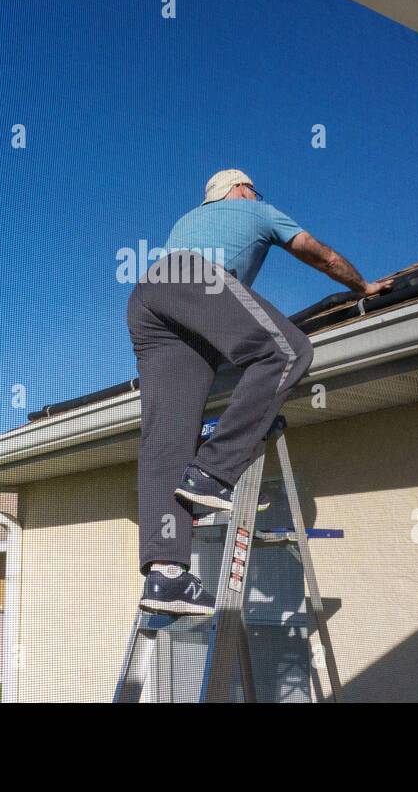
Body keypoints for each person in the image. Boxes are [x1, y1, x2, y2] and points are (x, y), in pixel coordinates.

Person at [128, 169, 392, 614]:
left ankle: (166, 576)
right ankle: (212, 472)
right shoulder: (257, 211)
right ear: (240, 190)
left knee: (167, 436)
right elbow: (320, 254)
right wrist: (362, 285)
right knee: (287, 351)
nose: (257, 195)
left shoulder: (185, 222)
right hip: (195, 279)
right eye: (254, 189)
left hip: (148, 298)